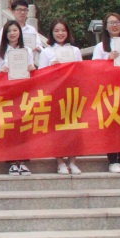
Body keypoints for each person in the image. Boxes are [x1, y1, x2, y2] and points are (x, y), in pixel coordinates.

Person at [39, 19, 83, 176]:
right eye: (56, 31)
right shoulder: (46, 52)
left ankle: (73, 161)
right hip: (55, 93)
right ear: (51, 33)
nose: (60, 33)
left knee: (74, 128)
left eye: (63, 30)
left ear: (68, 32)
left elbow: (82, 71)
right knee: (57, 129)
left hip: (72, 93)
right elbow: (41, 75)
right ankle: (60, 162)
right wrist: (52, 69)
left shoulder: (75, 51)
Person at [93, 13, 120, 174]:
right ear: (105, 26)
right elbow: (94, 69)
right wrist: (108, 59)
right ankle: (112, 160)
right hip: (108, 91)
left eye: (117, 22)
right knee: (111, 125)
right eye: (111, 23)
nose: (114, 25)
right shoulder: (100, 47)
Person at [0, 20, 36, 177]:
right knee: (10, 127)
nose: (12, 33)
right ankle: (12, 162)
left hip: (23, 93)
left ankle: (24, 161)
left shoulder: (27, 50)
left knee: (24, 127)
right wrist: (2, 70)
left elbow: (32, 69)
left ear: (20, 32)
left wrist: (32, 68)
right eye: (9, 31)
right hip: (7, 93)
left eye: (15, 30)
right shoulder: (0, 51)